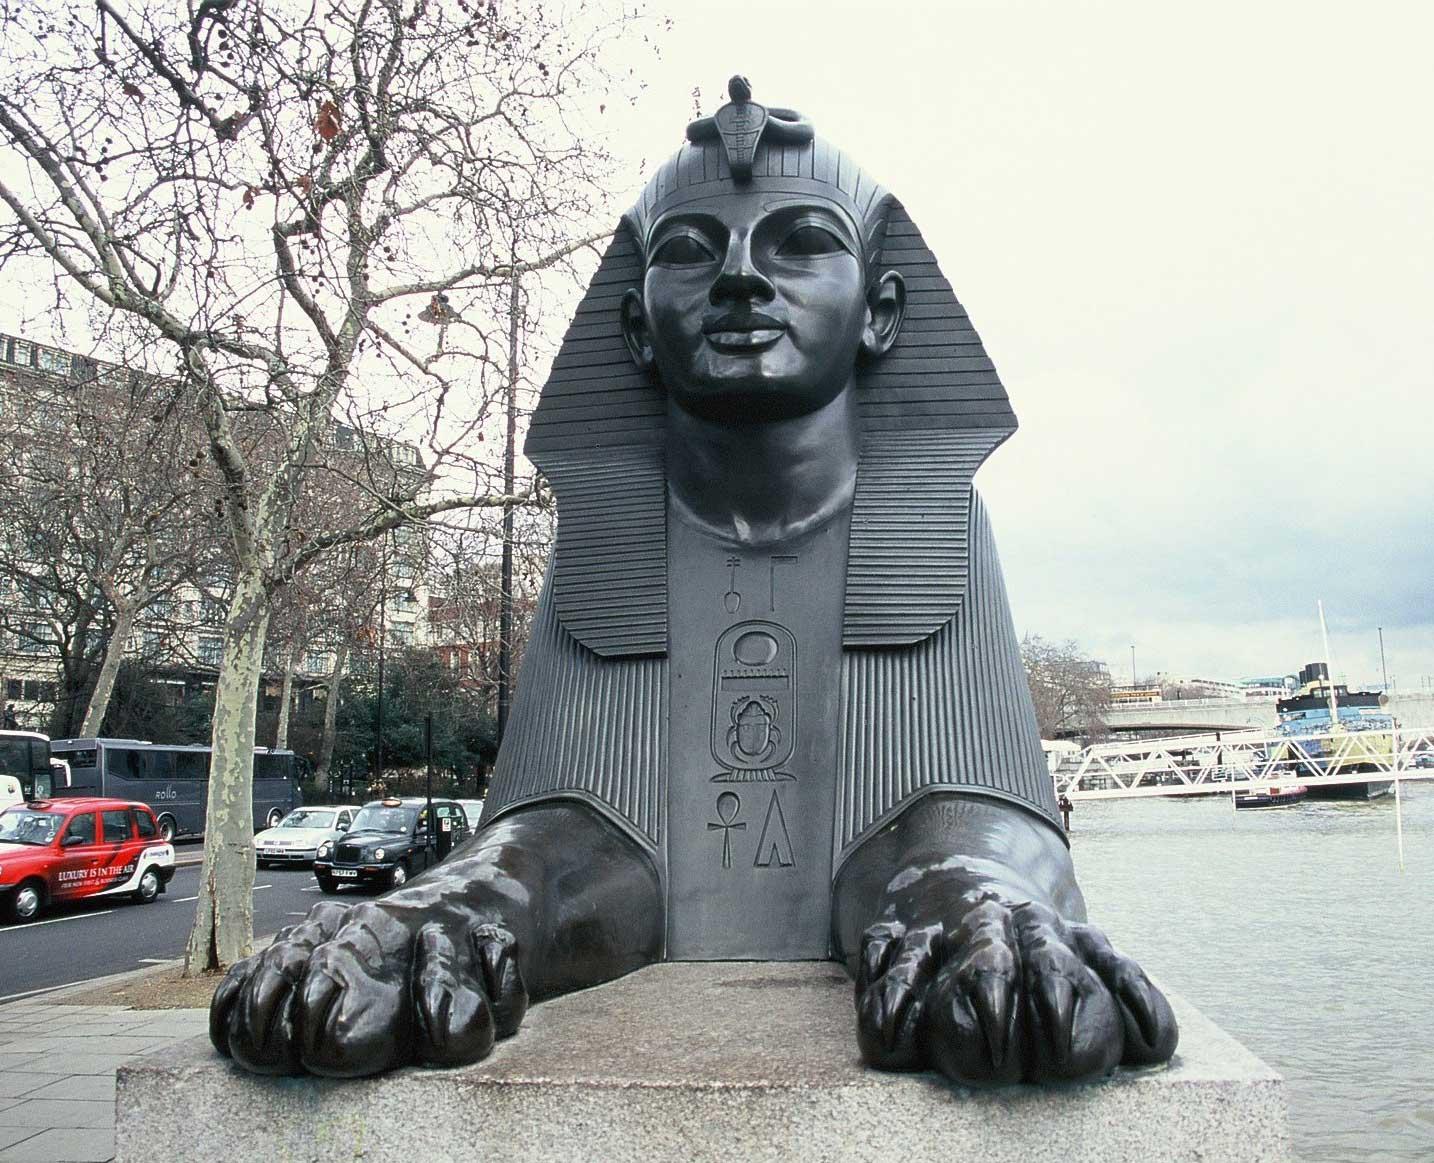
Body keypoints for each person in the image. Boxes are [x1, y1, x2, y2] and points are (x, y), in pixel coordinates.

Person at [212, 79, 1177, 1085]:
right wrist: (473, 897)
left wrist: (964, 889)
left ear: (883, 314)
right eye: (689, 251)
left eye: (801, 243)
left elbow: (972, 811)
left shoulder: (936, 522)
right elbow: (588, 843)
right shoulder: (605, 538)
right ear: (635, 326)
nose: (741, 278)